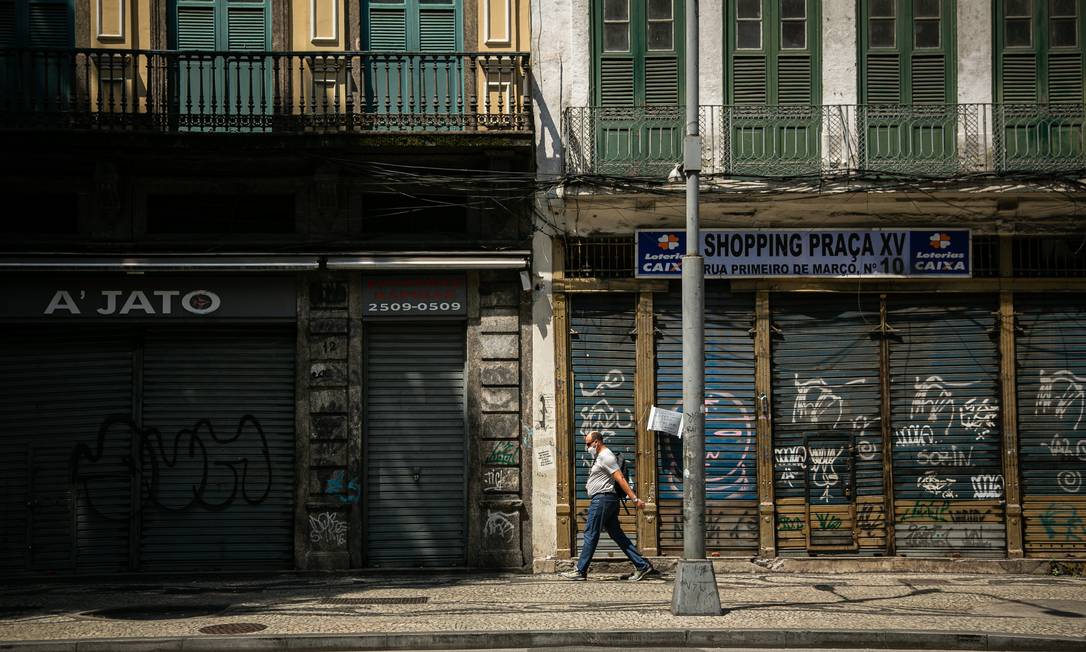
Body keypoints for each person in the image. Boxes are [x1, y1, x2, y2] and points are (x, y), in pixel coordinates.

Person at [559, 431, 660, 581]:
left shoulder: (606, 456)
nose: (587, 447)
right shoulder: (601, 456)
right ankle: (642, 566)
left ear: (597, 442)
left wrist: (634, 499)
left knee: (590, 533)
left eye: (588, 444)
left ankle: (580, 570)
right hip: (606, 500)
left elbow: (620, 478)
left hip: (602, 500)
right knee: (617, 535)